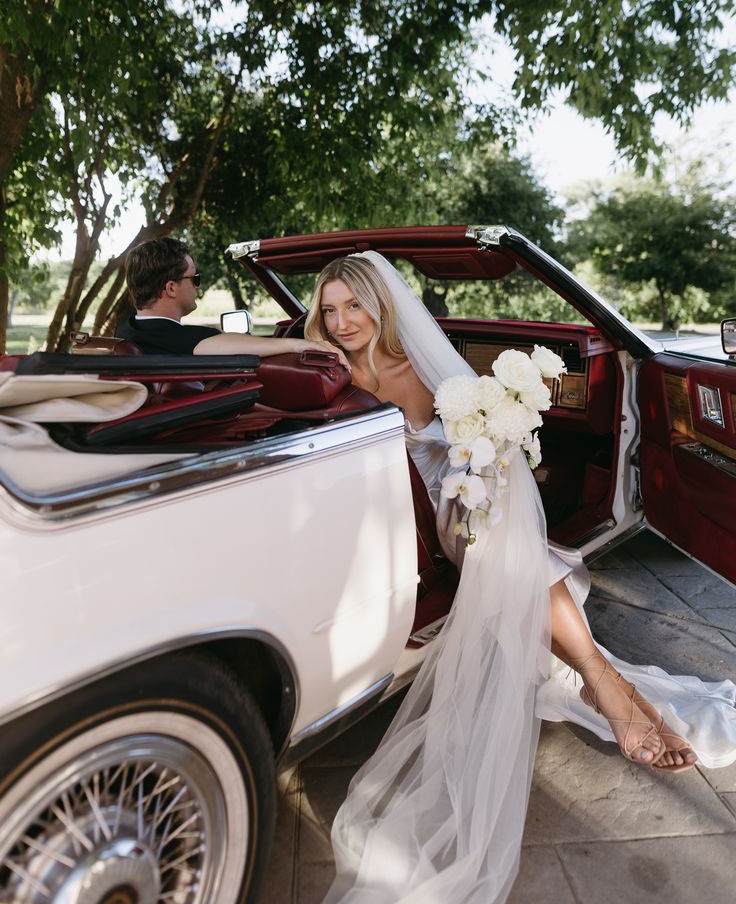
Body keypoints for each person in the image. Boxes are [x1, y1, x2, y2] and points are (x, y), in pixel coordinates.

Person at [304, 252, 736, 904]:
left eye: (352, 306)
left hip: (462, 504)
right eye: (328, 310)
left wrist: (495, 449)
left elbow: (480, 440)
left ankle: (603, 680)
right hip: (417, 514)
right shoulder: (330, 371)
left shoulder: (422, 361)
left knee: (506, 534)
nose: (340, 322)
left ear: (382, 304)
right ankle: (607, 684)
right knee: (509, 545)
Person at [117, 237, 349, 365]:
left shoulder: (126, 329)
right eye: (194, 278)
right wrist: (299, 344)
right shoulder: (177, 338)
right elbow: (222, 343)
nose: (198, 286)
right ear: (171, 288)